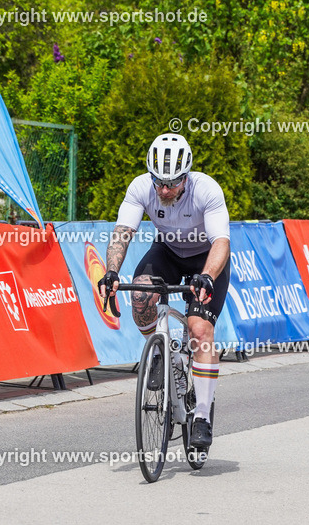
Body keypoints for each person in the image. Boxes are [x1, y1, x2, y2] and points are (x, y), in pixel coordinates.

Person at [96, 133, 230, 448]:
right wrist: (112, 272)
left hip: (205, 259)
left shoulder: (206, 190)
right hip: (168, 252)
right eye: (159, 183)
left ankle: (202, 417)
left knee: (199, 330)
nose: (165, 190)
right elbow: (122, 232)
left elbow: (221, 242)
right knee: (140, 295)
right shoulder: (141, 187)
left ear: (186, 176)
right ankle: (163, 354)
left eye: (172, 183)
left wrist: (208, 276)